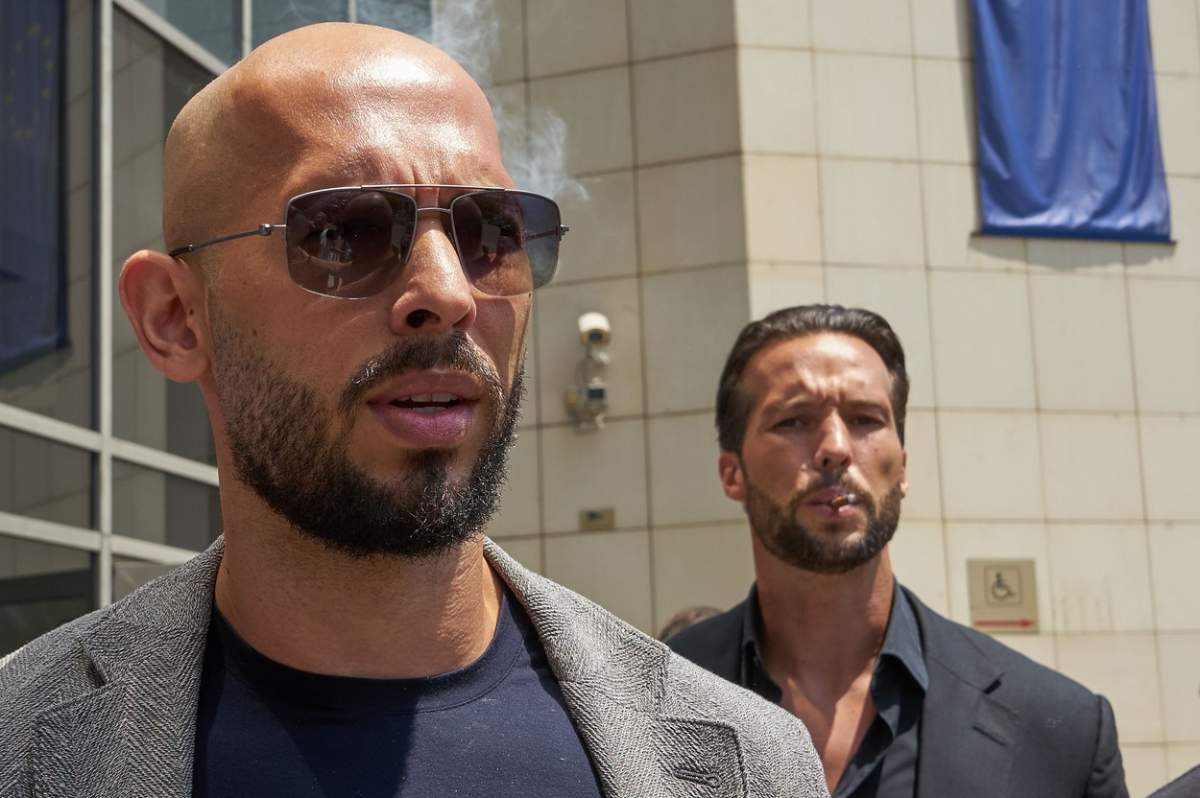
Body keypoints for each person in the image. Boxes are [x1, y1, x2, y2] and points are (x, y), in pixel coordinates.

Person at [0, 24, 829, 797]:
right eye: (343, 232)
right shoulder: (21, 744)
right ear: (176, 319)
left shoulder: (752, 766)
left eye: (490, 233)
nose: (447, 291)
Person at [667, 304, 1128, 797]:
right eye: (794, 421)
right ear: (732, 474)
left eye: (865, 419)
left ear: (903, 468)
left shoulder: (1061, 731)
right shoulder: (639, 706)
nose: (835, 448)